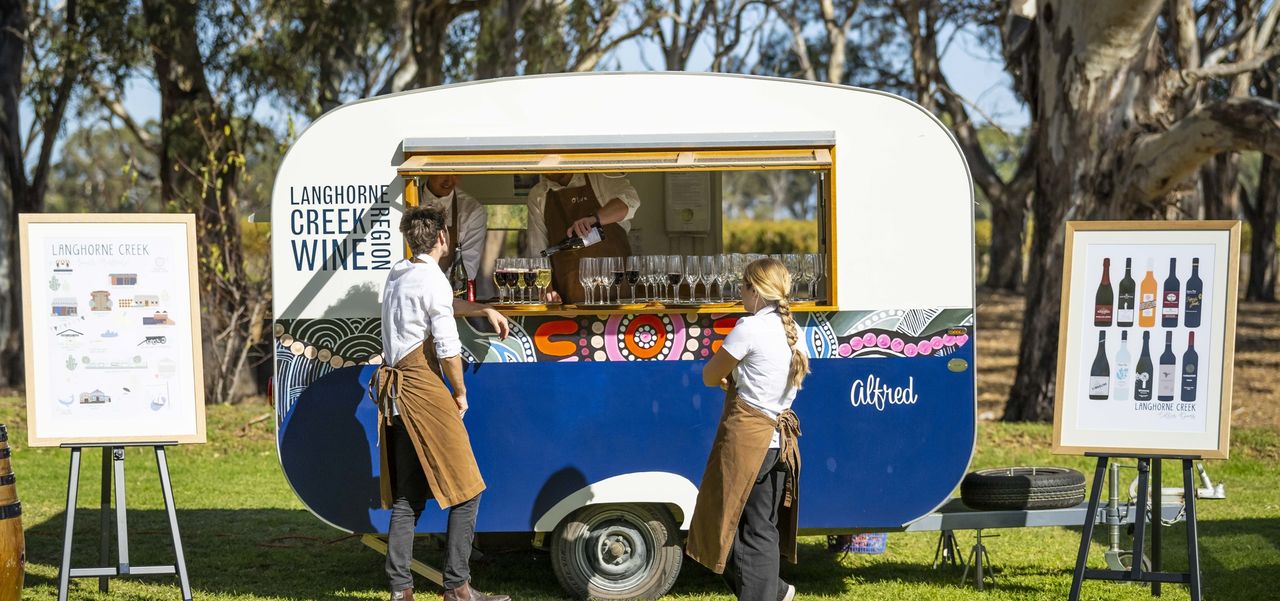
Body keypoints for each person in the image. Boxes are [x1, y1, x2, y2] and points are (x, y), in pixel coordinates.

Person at [370, 206, 512, 601]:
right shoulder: (431, 279)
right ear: (443, 238)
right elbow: (448, 348)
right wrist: (460, 392)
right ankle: (457, 587)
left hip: (396, 396)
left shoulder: (399, 275)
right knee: (468, 489)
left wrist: (482, 308)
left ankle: (401, 591)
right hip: (424, 392)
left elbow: (443, 304)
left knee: (408, 496)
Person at [686, 257, 809, 601]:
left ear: (755, 290)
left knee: (724, 523)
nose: (740, 292)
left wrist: (729, 378)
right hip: (780, 442)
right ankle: (776, 591)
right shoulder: (795, 332)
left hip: (747, 439)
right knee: (760, 528)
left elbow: (710, 375)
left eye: (743, 286)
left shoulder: (749, 327)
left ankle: (770, 593)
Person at [524, 172, 640, 303]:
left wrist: (595, 218)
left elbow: (631, 201)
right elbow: (538, 253)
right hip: (569, 303)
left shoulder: (599, 177)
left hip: (618, 299)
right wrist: (546, 289)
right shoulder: (538, 195)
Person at [420, 174, 493, 299]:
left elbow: (468, 269)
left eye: (456, 174)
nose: (449, 179)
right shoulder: (407, 197)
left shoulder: (472, 210)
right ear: (429, 171)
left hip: (450, 298)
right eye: (443, 173)